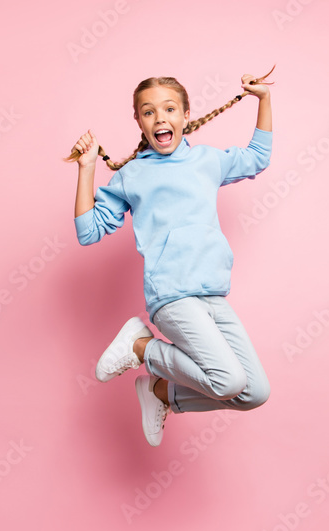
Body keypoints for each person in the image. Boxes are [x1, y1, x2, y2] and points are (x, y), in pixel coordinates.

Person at [67, 66, 275, 446]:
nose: (160, 118)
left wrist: (263, 98)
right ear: (139, 122)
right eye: (149, 112)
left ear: (184, 115)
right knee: (227, 379)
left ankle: (163, 393)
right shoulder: (132, 175)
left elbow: (258, 157)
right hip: (172, 295)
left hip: (213, 294)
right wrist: (86, 169)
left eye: (168, 109)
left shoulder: (208, 162)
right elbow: (88, 231)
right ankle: (140, 346)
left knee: (253, 392)